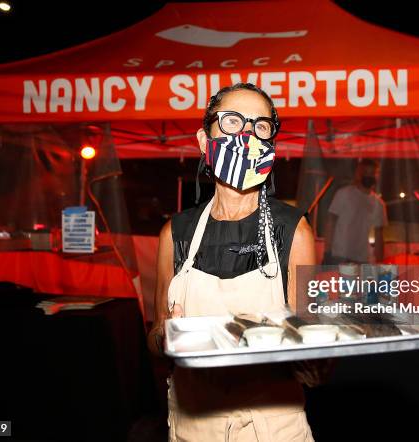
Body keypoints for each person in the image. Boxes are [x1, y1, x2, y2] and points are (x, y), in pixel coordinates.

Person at [148, 83, 327, 441]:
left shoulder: (293, 231)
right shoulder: (176, 233)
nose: (246, 136)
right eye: (232, 122)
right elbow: (156, 335)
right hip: (192, 424)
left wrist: (314, 341)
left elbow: (316, 367)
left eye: (260, 126)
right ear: (204, 140)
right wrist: (167, 338)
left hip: (272, 428)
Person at [324, 159, 387, 264]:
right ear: (358, 174)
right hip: (338, 255)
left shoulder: (379, 204)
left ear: (377, 176)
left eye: (372, 173)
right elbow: (331, 222)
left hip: (362, 258)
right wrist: (327, 251)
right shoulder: (343, 194)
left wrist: (380, 262)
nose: (369, 176)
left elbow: (379, 235)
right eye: (366, 172)